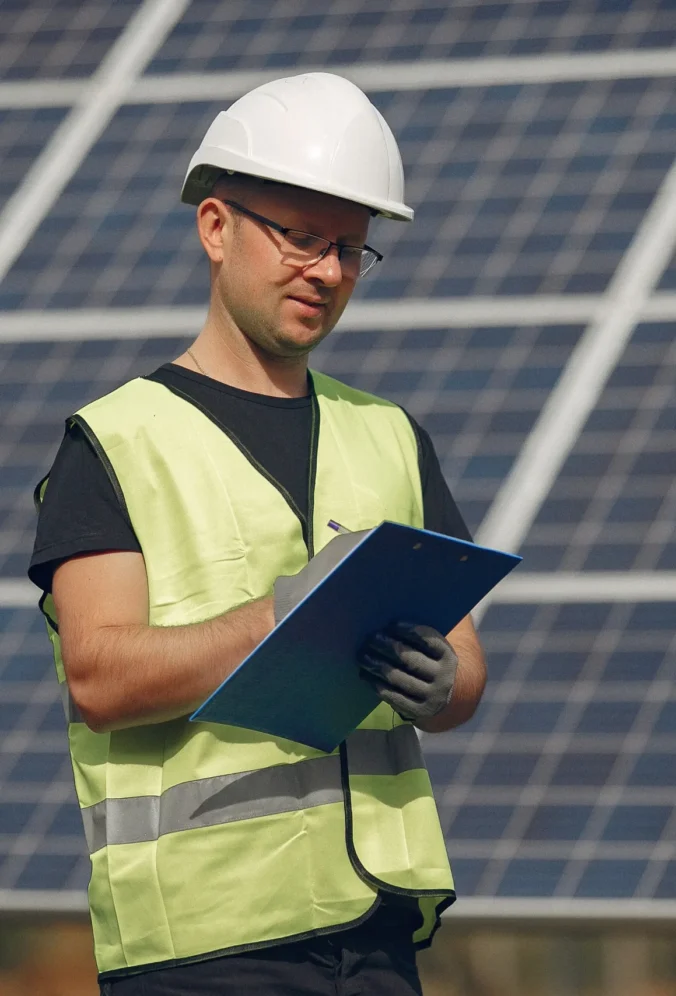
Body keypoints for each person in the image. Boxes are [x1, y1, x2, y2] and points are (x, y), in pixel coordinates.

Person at [29, 73, 487, 996]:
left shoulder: (390, 435)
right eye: (303, 238)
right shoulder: (118, 441)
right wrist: (275, 618)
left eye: (352, 250)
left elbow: (465, 667)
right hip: (201, 949)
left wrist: (444, 686)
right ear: (215, 228)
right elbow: (99, 677)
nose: (327, 271)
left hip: (378, 938)